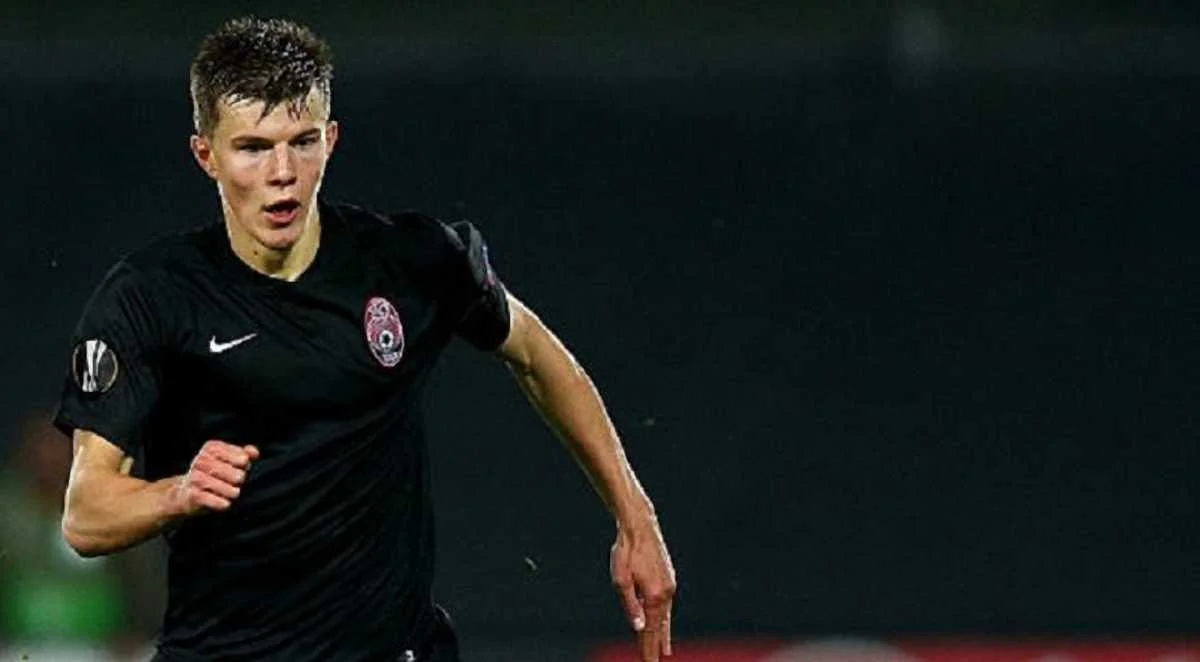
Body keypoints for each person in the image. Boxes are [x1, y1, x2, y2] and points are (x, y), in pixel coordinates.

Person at [55, 16, 675, 662]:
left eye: (303, 142)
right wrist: (178, 491)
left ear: (332, 139)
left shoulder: (410, 262)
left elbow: (537, 354)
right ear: (205, 154)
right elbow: (86, 514)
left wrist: (635, 516)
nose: (283, 172)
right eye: (253, 148)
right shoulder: (150, 297)